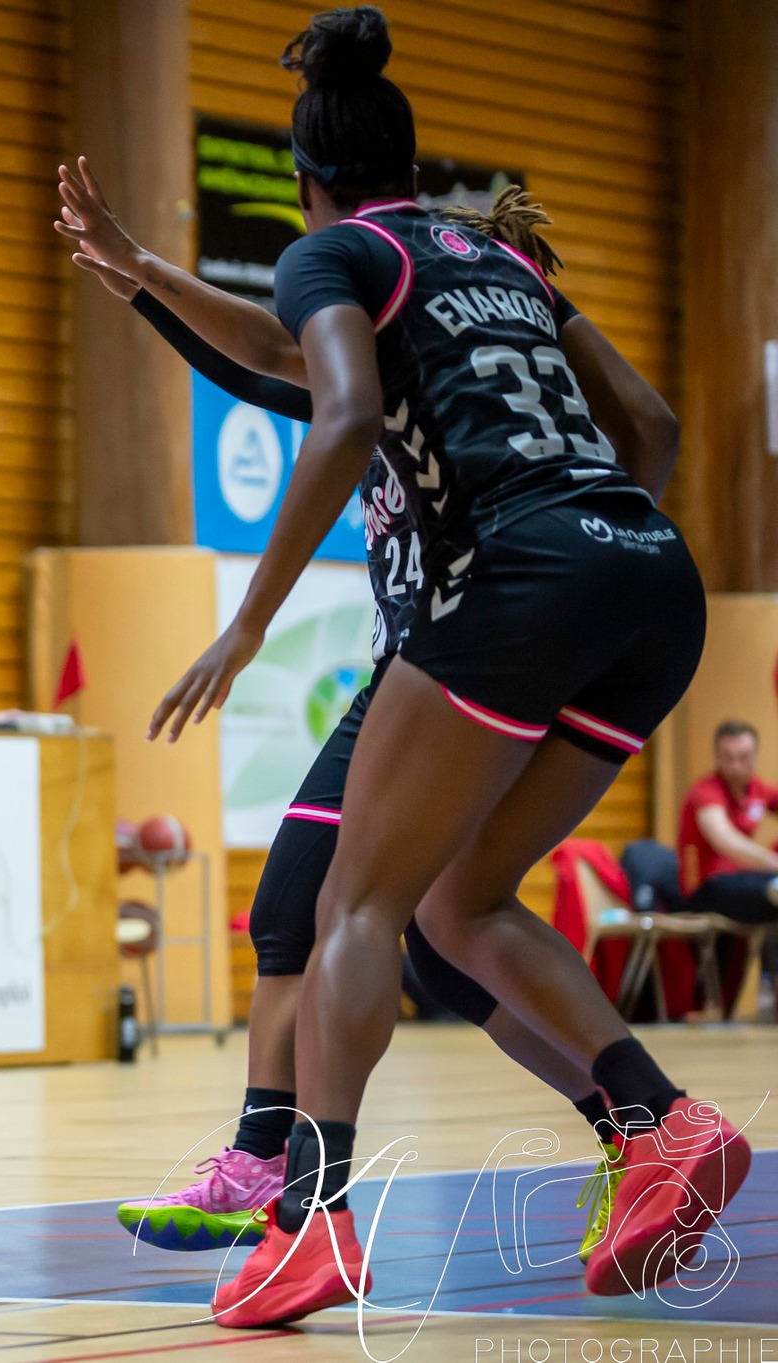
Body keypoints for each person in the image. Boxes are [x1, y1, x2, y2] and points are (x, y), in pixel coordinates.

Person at [81, 6, 741, 1323]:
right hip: (652, 576)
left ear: (310, 180)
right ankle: (658, 1122)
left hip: (508, 586)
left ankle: (312, 1215)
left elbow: (338, 410)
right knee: (455, 909)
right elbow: (651, 425)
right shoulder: (489, 256)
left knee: (352, 909)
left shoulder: (333, 253)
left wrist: (249, 618)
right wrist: (147, 271)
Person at [59, 185, 630, 1260]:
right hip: (455, 658)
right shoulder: (390, 366)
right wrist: (137, 279)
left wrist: (139, 275)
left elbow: (278, 362)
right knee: (424, 949)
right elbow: (259, 361)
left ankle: (268, 1158)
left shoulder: (423, 372)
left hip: (451, 657)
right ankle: (626, 1128)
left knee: (313, 908)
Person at [678, 720, 778, 927]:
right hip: (706, 888)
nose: (736, 766)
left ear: (756, 756)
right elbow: (725, 841)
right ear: (717, 757)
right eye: (728, 758)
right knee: (771, 893)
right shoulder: (706, 791)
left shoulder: (758, 790)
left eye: (743, 758)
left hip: (745, 881)